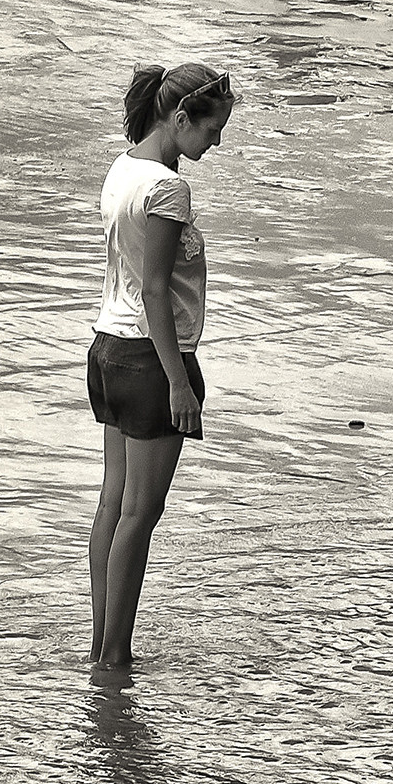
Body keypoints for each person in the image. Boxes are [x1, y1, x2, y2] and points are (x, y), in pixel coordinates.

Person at [85, 62, 237, 668]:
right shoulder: (171, 189)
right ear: (180, 118)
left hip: (107, 350)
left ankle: (101, 644)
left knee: (113, 502)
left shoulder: (123, 168)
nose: (218, 142)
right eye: (214, 129)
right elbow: (155, 291)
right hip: (153, 360)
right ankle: (114, 660)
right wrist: (180, 383)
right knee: (141, 515)